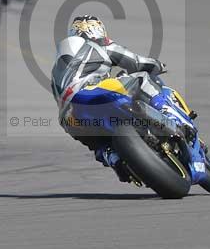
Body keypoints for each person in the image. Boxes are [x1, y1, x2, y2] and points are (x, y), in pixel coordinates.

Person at [51, 15, 169, 182]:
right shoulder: (100, 44)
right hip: (93, 92)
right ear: (98, 30)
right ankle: (165, 112)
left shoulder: (58, 65)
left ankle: (114, 159)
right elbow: (136, 62)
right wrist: (157, 65)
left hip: (68, 117)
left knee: (99, 144)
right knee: (142, 77)